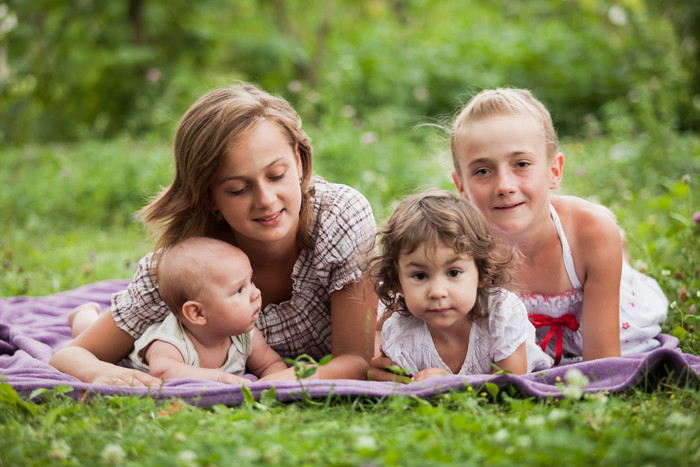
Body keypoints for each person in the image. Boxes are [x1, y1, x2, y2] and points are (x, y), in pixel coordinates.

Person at [50, 83, 378, 386]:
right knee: (122, 342)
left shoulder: (339, 218)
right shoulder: (185, 267)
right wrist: (102, 373)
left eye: (276, 175)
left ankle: (88, 315)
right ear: (209, 196)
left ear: (298, 160)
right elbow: (70, 356)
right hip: (163, 344)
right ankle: (86, 317)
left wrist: (272, 384)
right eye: (238, 189)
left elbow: (353, 360)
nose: (265, 199)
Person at [364, 189, 552, 382]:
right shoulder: (401, 334)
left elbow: (510, 387)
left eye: (453, 273)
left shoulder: (502, 314)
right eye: (420, 276)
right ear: (398, 283)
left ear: (481, 271)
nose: (437, 292)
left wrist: (453, 385)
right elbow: (407, 394)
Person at [68, 237, 288, 384]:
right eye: (239, 290)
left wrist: (269, 385)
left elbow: (270, 363)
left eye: (251, 281)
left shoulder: (244, 333)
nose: (255, 293)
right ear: (197, 313)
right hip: (126, 351)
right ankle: (83, 314)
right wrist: (218, 378)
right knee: (88, 333)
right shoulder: (170, 342)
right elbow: (163, 372)